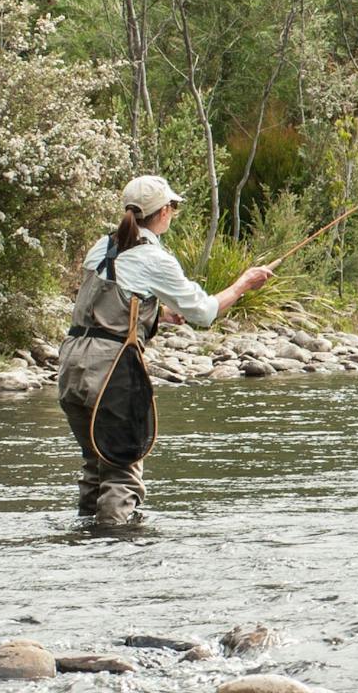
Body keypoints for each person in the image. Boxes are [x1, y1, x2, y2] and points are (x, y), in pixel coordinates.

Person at [56, 174, 273, 525]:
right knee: (122, 467)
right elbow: (204, 312)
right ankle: (116, 551)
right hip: (109, 372)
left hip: (71, 367)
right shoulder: (154, 258)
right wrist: (242, 284)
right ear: (163, 212)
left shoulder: (103, 245)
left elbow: (111, 300)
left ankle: (85, 543)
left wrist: (156, 313)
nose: (174, 212)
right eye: (173, 206)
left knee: (96, 463)